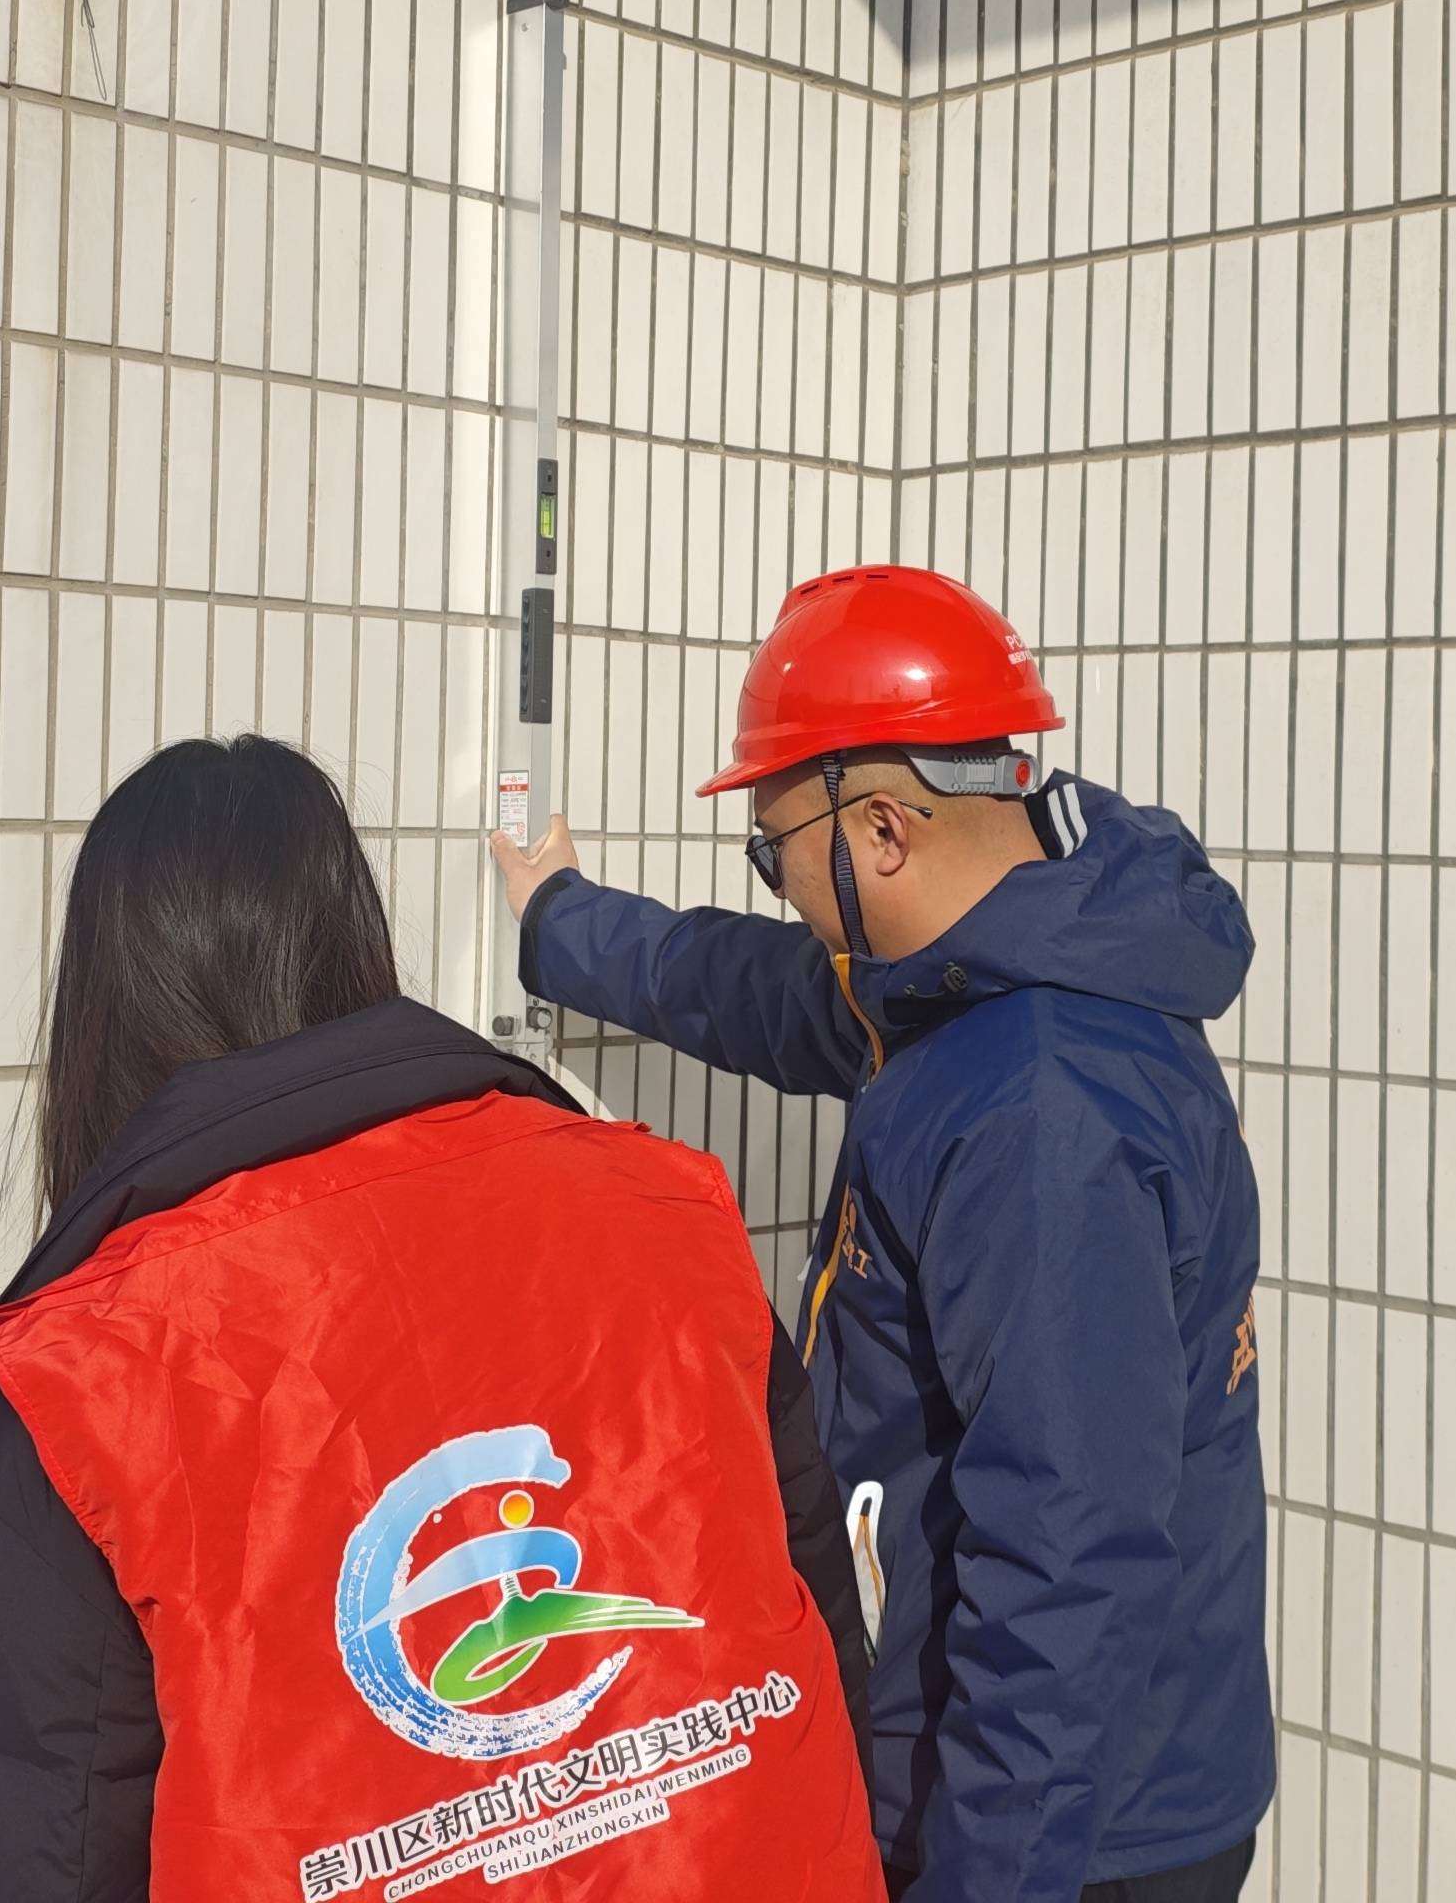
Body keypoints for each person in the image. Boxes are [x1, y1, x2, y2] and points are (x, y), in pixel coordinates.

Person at [0, 735, 883, 1902]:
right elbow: (815, 1619)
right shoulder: (661, 1205)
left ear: (104, 1005)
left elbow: (52, 1836)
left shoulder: (89, 1371)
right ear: (353, 938)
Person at [487, 566, 1272, 1903]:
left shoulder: (1042, 1110)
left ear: (884, 831)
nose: (778, 884)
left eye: (773, 848)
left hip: (1065, 1837)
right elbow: (755, 989)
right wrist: (561, 924)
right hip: (1029, 1787)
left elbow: (1065, 1566)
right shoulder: (979, 974)